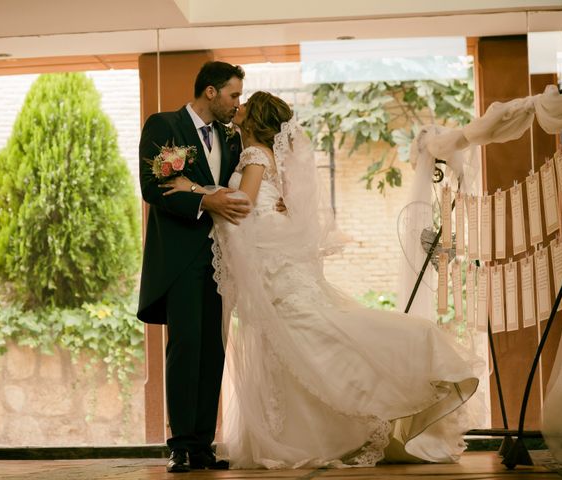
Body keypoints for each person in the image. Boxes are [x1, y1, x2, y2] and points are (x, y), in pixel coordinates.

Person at [161, 91, 481, 469]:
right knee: (298, 340)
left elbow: (241, 205)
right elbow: (265, 202)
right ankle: (315, 429)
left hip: (270, 264)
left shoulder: (254, 154)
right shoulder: (260, 155)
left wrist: (194, 190)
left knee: (304, 336)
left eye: (245, 103)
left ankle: (326, 422)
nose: (239, 106)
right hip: (272, 260)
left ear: (255, 117)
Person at [137, 61, 251, 473]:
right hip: (181, 259)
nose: (237, 103)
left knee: (212, 350)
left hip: (221, 258)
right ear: (210, 92)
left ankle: (203, 444)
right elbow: (154, 187)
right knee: (185, 348)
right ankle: (181, 446)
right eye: (233, 95)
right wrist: (205, 201)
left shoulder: (231, 138)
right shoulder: (163, 125)